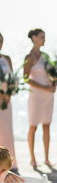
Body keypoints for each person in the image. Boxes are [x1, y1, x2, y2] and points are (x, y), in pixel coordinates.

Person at [23, 29, 55, 169]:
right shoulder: (29, 57)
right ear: (34, 38)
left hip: (48, 96)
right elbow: (25, 78)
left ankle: (47, 159)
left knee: (47, 125)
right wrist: (44, 87)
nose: (44, 40)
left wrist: (55, 82)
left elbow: (53, 72)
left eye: (45, 37)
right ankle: (33, 159)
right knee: (33, 126)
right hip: (36, 95)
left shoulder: (46, 56)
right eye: (42, 37)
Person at [0, 32, 18, 173]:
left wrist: (9, 93)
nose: (0, 43)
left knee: (7, 130)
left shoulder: (6, 58)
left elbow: (12, 77)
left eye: (1, 40)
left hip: (7, 101)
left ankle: (10, 161)